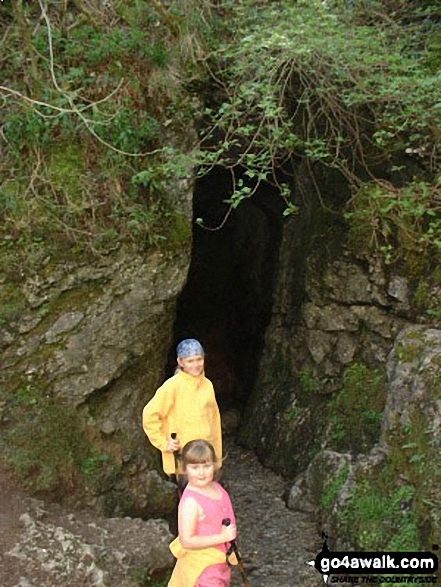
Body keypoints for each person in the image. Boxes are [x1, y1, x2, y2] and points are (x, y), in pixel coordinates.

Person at [142, 339, 222, 479]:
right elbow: (150, 415)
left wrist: (217, 457)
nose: (196, 365)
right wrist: (164, 443)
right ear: (181, 362)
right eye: (190, 361)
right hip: (184, 456)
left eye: (199, 359)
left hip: (207, 454)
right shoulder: (172, 386)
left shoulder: (208, 385)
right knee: (190, 497)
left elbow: (214, 421)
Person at [168, 439, 237, 587]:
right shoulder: (190, 503)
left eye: (206, 466)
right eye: (195, 467)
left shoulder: (217, 488)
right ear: (185, 468)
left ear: (215, 465)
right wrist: (221, 537)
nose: (201, 473)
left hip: (220, 563)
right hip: (202, 568)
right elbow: (187, 541)